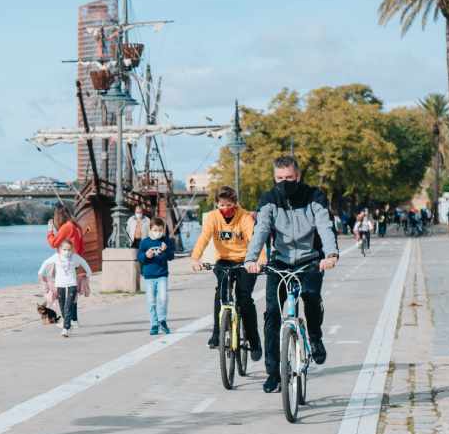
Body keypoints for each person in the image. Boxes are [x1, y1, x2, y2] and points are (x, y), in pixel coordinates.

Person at [246, 156, 339, 392]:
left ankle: (315, 337)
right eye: (279, 178)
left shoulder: (314, 197)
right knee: (272, 315)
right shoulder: (269, 199)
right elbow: (261, 230)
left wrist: (331, 254)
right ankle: (273, 373)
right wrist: (251, 259)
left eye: (289, 178)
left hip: (310, 260)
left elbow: (324, 226)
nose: (284, 182)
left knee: (310, 297)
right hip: (280, 261)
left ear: (297, 176)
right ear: (274, 178)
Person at [190, 186, 261, 358]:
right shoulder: (213, 218)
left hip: (246, 261)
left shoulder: (244, 217)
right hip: (224, 260)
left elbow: (255, 239)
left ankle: (254, 340)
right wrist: (195, 258)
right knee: (220, 293)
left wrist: (260, 260)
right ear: (217, 204)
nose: (225, 208)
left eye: (229, 204)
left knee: (245, 299)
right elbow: (204, 238)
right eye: (221, 205)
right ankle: (216, 333)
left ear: (235, 204)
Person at [39, 239, 91, 337]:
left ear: (72, 250)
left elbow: (84, 263)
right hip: (60, 284)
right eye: (64, 249)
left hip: (72, 284)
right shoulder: (56, 257)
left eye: (69, 249)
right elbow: (45, 263)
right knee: (62, 306)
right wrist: (40, 273)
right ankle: (68, 322)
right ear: (60, 249)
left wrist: (88, 273)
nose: (67, 252)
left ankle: (66, 328)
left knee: (68, 306)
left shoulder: (75, 257)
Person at [138, 217, 176, 335]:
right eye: (155, 230)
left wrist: (165, 250)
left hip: (162, 275)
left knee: (163, 298)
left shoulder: (166, 241)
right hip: (149, 276)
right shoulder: (145, 242)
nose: (158, 232)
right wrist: (146, 256)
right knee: (151, 301)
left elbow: (171, 256)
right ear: (150, 229)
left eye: (160, 230)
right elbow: (139, 257)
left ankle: (162, 320)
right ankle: (154, 324)